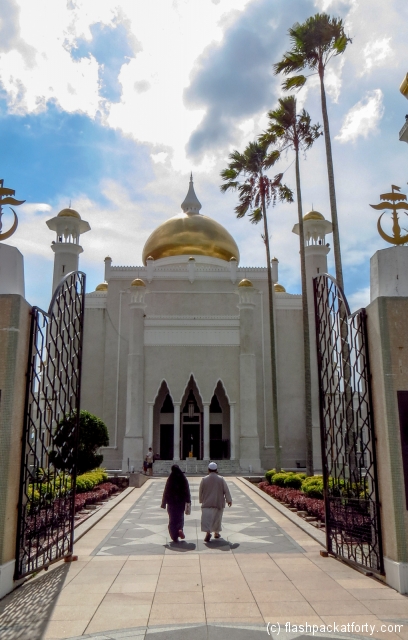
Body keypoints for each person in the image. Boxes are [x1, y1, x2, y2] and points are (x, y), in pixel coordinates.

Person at [199, 461, 232, 542]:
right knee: (217, 519)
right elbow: (226, 490)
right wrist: (229, 500)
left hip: (207, 502)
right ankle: (216, 533)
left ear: (208, 469)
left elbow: (201, 491)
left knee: (207, 519)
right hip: (218, 502)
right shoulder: (221, 479)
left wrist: (201, 500)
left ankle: (207, 532)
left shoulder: (204, 479)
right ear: (216, 469)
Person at [161, 465, 191, 542]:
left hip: (171, 503)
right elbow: (187, 490)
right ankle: (180, 529)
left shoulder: (171, 479)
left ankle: (174, 535)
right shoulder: (183, 478)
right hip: (180, 503)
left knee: (172, 519)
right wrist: (188, 501)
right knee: (180, 517)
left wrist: (163, 503)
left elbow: (166, 491)